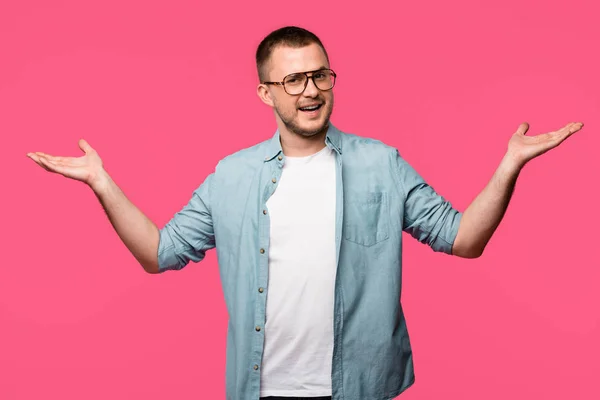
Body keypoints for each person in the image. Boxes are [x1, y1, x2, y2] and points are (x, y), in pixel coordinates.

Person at [27, 26, 583, 400]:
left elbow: (462, 238)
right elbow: (158, 253)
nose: (310, 90)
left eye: (320, 75)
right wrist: (101, 182)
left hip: (361, 387)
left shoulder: (381, 164)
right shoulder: (231, 176)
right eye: (293, 80)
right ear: (266, 93)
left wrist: (510, 164)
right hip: (263, 389)